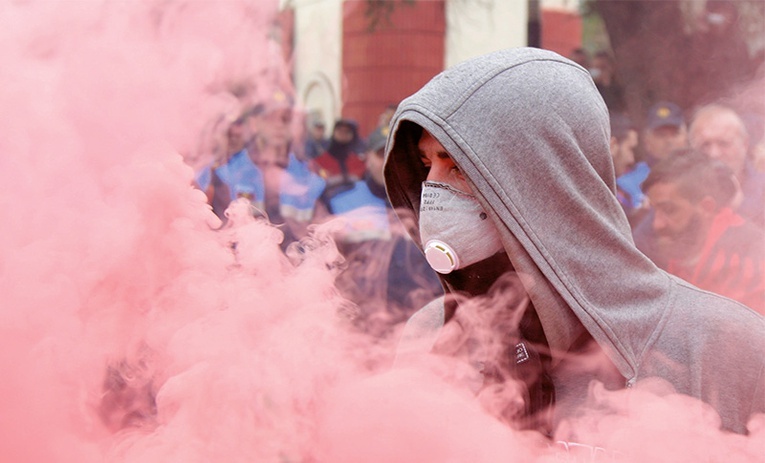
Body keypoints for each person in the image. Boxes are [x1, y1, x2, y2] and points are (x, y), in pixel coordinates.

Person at [382, 48, 764, 436]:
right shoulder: (432, 335)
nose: (431, 191)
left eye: (457, 165)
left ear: (546, 177)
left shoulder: (723, 347)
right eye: (427, 166)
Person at [321, 126, 442, 336]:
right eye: (380, 154)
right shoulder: (340, 201)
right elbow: (325, 264)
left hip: (416, 319)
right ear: (366, 158)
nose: (387, 162)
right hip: (362, 320)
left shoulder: (427, 201)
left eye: (392, 155)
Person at [637, 150, 764, 314]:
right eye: (654, 211)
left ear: (707, 207)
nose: (657, 224)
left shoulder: (744, 256)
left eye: (669, 210)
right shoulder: (684, 248)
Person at [213, 89, 327, 249]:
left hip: (299, 268)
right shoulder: (227, 174)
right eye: (270, 117)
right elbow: (221, 235)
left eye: (285, 119)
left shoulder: (310, 177)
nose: (279, 124)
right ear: (254, 123)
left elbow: (322, 236)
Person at [688, 104, 765, 228]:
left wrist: (739, 207)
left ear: (745, 144)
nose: (714, 154)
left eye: (724, 144)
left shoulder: (762, 189)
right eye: (705, 145)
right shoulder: (680, 191)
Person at [616, 101, 688, 215]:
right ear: (646, 140)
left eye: (675, 134)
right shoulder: (626, 184)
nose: (669, 141)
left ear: (686, 137)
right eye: (661, 135)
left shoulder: (700, 176)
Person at [314, 118, 366, 189]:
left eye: (347, 131)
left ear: (352, 135)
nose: (343, 134)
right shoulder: (319, 162)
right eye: (340, 130)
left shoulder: (359, 162)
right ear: (334, 132)